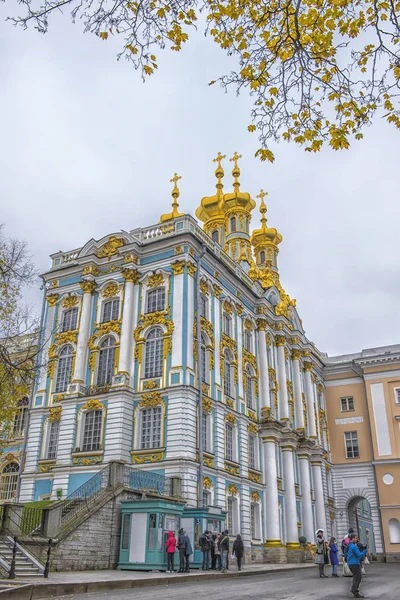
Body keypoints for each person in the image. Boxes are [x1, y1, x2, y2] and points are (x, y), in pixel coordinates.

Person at [347, 533, 367, 598]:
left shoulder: (349, 546)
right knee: (358, 578)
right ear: (352, 538)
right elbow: (359, 555)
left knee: (356, 577)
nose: (356, 539)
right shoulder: (354, 546)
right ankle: (354, 590)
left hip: (350, 563)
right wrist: (365, 550)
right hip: (355, 563)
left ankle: (354, 590)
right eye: (355, 538)